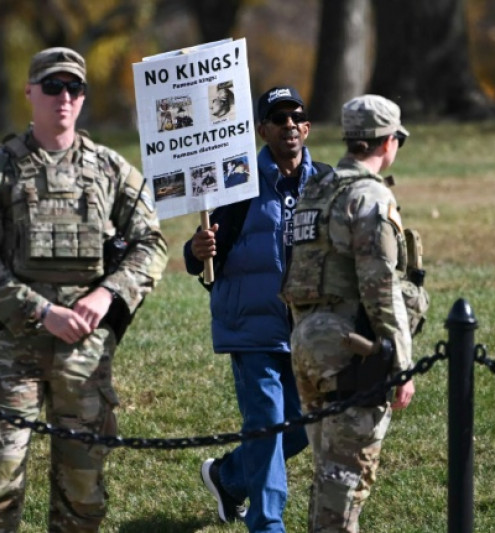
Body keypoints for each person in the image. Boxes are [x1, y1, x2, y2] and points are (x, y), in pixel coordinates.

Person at [0, 46, 168, 533]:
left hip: (86, 351)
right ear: (30, 92)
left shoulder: (111, 171)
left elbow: (151, 243)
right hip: (14, 349)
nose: (63, 97)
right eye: (52, 86)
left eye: (74, 88)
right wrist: (39, 311)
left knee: (83, 492)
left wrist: (106, 295)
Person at [281, 95, 430, 533]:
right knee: (346, 483)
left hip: (307, 344)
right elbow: (379, 285)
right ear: (387, 142)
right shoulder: (369, 197)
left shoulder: (316, 189)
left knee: (328, 475)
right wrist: (402, 365)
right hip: (352, 353)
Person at [184, 86, 330, 532]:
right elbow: (200, 260)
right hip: (253, 327)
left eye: (295, 117)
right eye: (277, 118)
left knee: (303, 427)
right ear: (261, 129)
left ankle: (228, 478)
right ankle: (268, 526)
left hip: (307, 329)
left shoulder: (326, 182)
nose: (288, 125)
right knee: (267, 422)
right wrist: (197, 247)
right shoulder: (235, 182)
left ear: (306, 127)